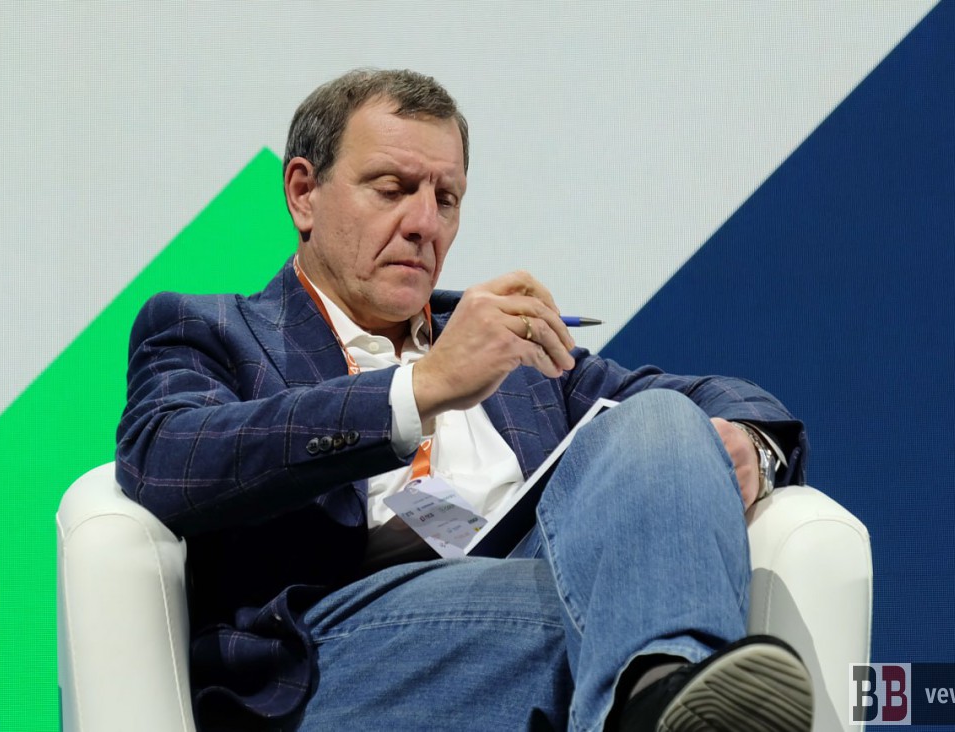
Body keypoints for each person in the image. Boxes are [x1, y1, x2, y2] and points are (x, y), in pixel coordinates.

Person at [117, 68, 813, 732]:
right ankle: (657, 676)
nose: (424, 223)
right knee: (616, 613)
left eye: (445, 199)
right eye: (392, 189)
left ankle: (654, 690)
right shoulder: (210, 328)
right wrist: (420, 388)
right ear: (304, 193)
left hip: (528, 592)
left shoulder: (508, 343)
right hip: (336, 653)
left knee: (659, 420)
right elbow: (167, 458)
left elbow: (718, 398)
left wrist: (750, 448)